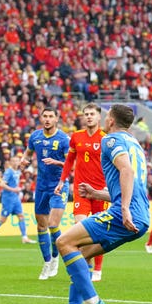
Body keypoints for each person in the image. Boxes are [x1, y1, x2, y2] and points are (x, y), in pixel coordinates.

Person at [42, 104, 150, 304]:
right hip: (141, 218)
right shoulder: (135, 145)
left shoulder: (110, 140)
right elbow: (131, 184)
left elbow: (127, 173)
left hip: (124, 214)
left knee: (64, 242)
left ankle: (93, 303)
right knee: (81, 254)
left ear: (110, 120)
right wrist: (97, 193)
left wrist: (125, 209)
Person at [55, 103, 108, 282]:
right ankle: (86, 263)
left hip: (101, 192)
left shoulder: (106, 139)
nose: (88, 117)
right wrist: (62, 181)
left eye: (92, 114)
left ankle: (97, 269)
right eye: (86, 114)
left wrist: (110, 187)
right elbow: (69, 161)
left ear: (99, 117)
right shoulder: (76, 137)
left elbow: (112, 165)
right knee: (83, 227)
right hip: (82, 191)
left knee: (99, 233)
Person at [20, 107, 70, 280]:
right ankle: (47, 262)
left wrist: (57, 162)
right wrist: (24, 161)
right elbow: (28, 153)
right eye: (45, 116)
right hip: (41, 186)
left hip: (58, 185)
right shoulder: (35, 136)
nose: (48, 119)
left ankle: (57, 256)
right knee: (41, 226)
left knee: (53, 223)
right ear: (41, 119)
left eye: (51, 116)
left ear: (57, 119)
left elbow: (71, 164)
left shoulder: (64, 139)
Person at [0, 156, 36, 245]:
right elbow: (2, 184)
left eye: (17, 161)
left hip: (15, 198)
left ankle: (24, 237)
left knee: (21, 216)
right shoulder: (9, 172)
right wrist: (14, 189)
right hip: (8, 198)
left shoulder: (18, 171)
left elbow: (22, 167)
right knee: (3, 219)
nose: (16, 163)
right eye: (14, 161)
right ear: (11, 162)